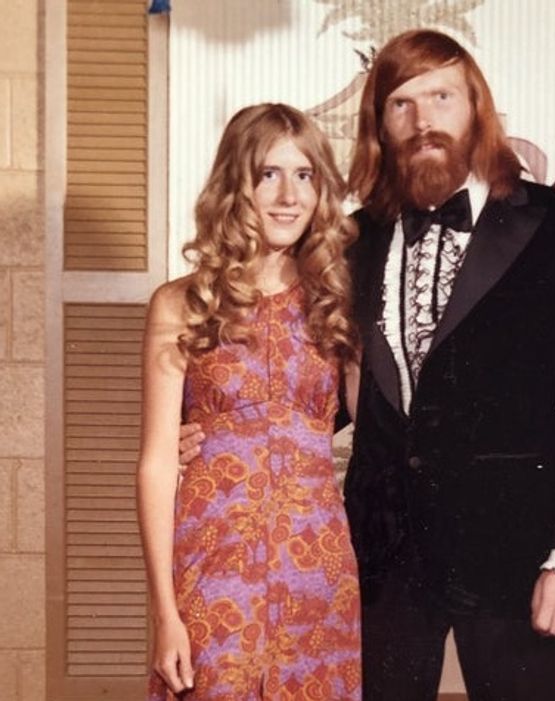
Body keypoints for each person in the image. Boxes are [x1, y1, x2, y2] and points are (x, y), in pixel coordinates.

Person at [179, 29, 555, 701]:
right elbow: (322, 385)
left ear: (476, 106)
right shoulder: (353, 240)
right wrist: (216, 434)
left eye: (441, 97)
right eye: (401, 105)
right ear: (380, 126)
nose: (423, 122)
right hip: (382, 555)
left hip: (513, 552)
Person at [137, 103, 362, 701]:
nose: (289, 196)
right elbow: (156, 463)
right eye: (268, 174)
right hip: (214, 564)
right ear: (236, 185)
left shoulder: (338, 305)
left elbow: (383, 427)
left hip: (318, 572)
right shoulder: (180, 304)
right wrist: (165, 613)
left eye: (305, 175)